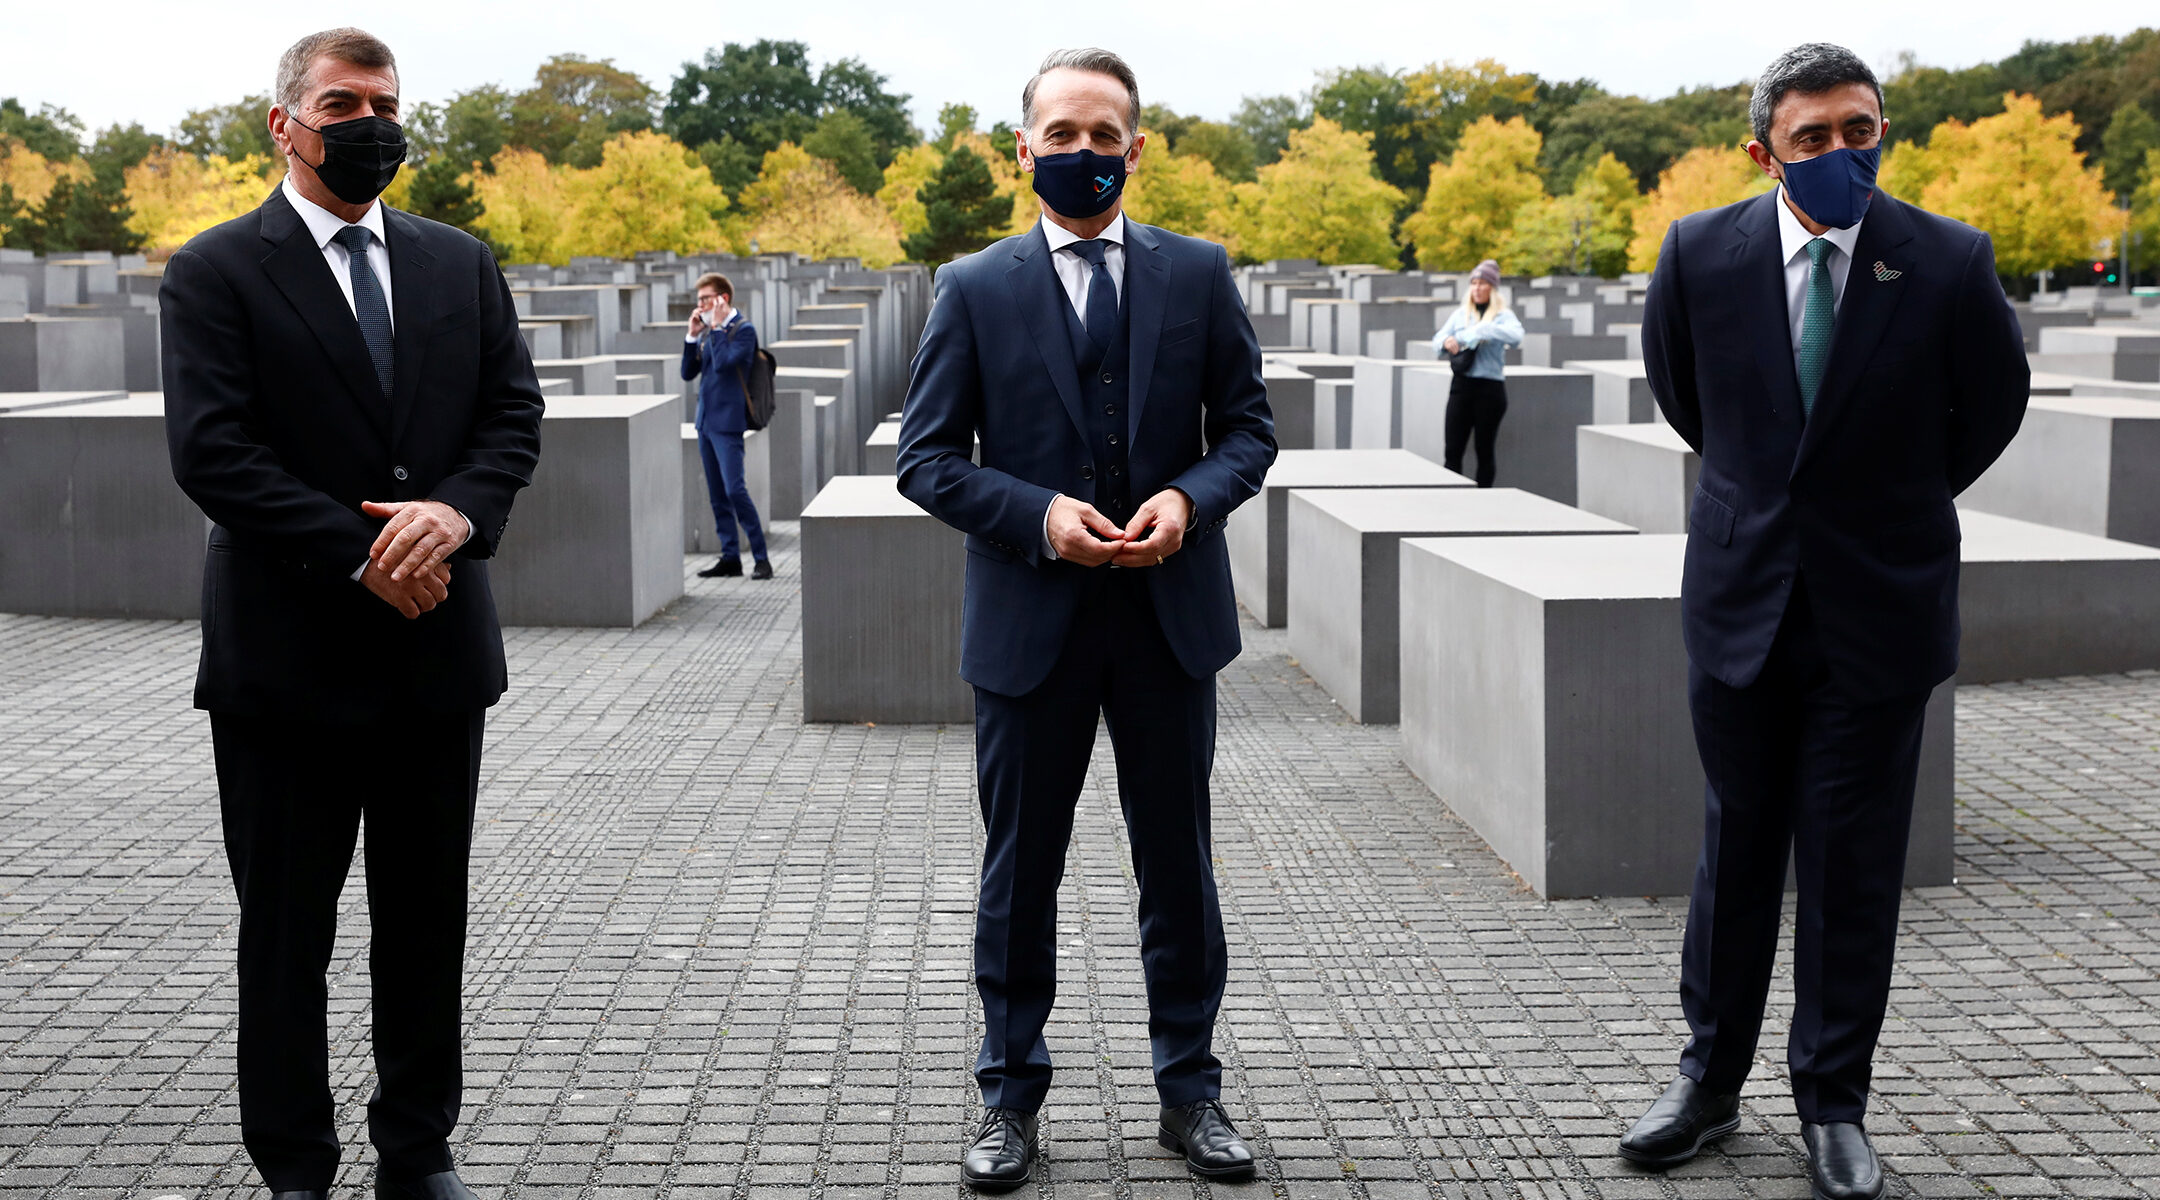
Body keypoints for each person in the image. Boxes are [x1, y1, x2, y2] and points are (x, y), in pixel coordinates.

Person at [1622, 42, 2027, 1200]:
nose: (1844, 151)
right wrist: (1776, 507)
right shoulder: (1702, 251)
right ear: (1765, 151)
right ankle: (1707, 1085)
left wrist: (1883, 506)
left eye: (1863, 130)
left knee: (1852, 869)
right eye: (1815, 136)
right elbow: (1687, 396)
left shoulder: (1947, 261)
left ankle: (1832, 1105)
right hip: (1743, 604)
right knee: (1733, 854)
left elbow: (1988, 412)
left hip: (1880, 612)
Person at [160, 28, 544, 1200]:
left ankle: (415, 1152)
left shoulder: (457, 262)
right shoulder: (217, 269)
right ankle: (295, 1169)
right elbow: (213, 455)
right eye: (342, 102)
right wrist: (370, 548)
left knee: (425, 927)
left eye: (385, 101)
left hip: (437, 658)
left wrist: (456, 519)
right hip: (287, 664)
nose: (369, 120)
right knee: (286, 938)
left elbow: (511, 423)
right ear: (283, 122)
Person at [895, 47, 1276, 1193]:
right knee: (1022, 871)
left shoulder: (1199, 274)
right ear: (1023, 149)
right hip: (1031, 625)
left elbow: (1249, 433)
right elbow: (925, 460)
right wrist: (1038, 515)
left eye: (1103, 135)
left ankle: (1190, 1092)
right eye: (1059, 134)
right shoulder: (973, 286)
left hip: (1168, 619)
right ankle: (1007, 1097)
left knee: (1179, 866)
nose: (1081, 153)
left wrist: (1188, 499)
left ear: (1137, 148)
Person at [681, 272, 772, 580]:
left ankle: (761, 558)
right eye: (699, 300)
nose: (701, 305)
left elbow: (724, 364)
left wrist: (717, 327)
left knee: (735, 490)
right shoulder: (709, 332)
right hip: (705, 421)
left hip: (728, 423)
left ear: (723, 298)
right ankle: (730, 557)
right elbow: (686, 372)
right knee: (717, 493)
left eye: (706, 299)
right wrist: (692, 336)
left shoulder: (743, 330)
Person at [1430, 259, 1522, 486]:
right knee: (1452, 450)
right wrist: (1448, 341)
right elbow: (1436, 341)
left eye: (1482, 283)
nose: (1477, 288)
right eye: (1474, 283)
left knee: (1484, 450)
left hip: (1489, 389)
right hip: (1461, 387)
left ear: (1492, 287)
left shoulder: (1503, 316)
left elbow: (1517, 337)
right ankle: (1452, 503)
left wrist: (1484, 329)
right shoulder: (1461, 314)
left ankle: (1483, 502)